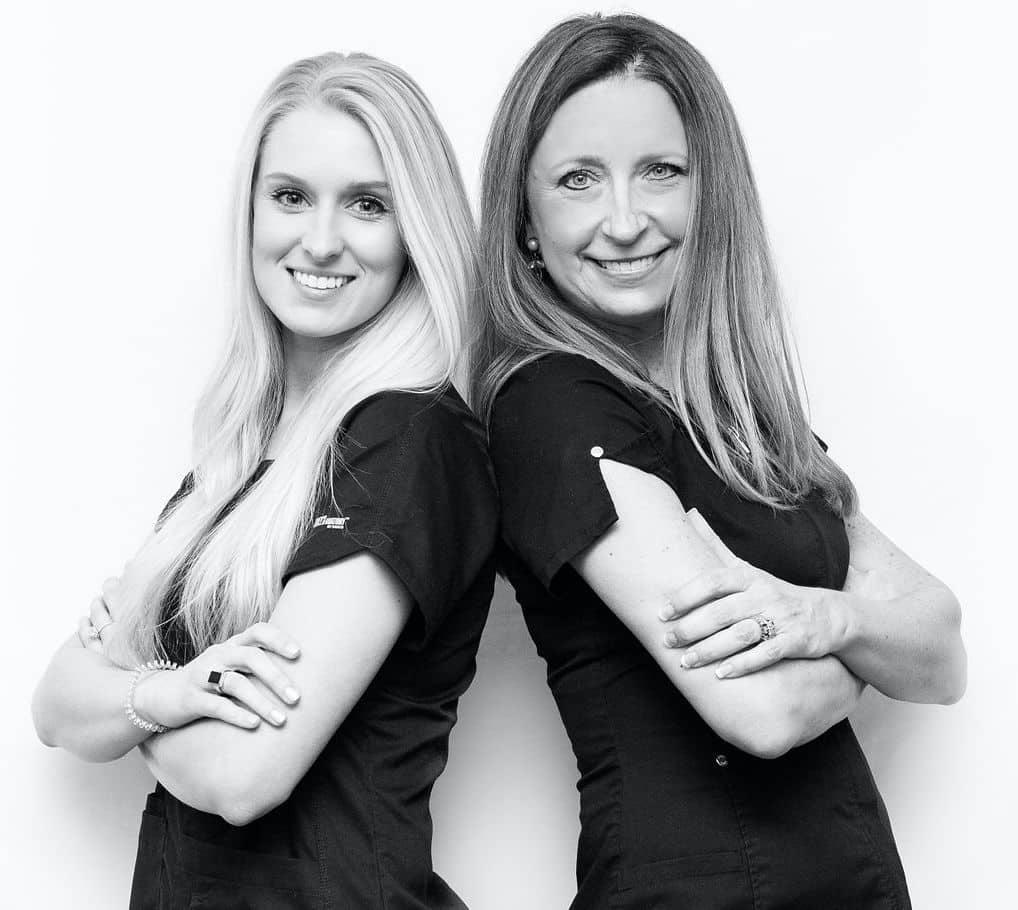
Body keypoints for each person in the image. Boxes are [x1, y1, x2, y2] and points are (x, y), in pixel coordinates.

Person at [476, 13, 966, 909]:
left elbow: (942, 654)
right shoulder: (550, 404)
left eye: (661, 171)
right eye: (579, 180)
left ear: (713, 193)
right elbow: (762, 715)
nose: (625, 221)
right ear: (526, 224)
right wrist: (870, 629)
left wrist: (823, 621)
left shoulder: (743, 413)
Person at [32, 52, 496, 909]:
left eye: (368, 204)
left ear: (416, 228)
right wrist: (175, 691)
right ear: (249, 211)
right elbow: (55, 710)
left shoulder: (411, 438)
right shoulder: (241, 453)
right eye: (291, 196)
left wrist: (132, 689)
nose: (320, 240)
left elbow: (244, 775)